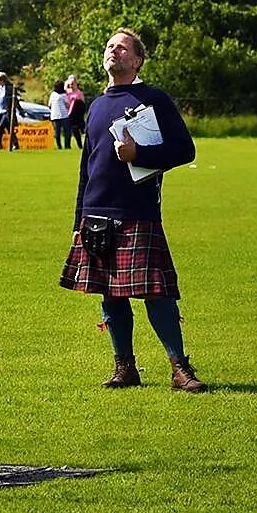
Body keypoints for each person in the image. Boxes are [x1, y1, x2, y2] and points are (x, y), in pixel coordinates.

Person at [60, 27, 206, 393]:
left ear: (137, 60)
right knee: (111, 294)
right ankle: (125, 368)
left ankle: (179, 368)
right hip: (96, 212)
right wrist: (79, 216)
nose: (115, 51)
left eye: (123, 48)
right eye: (110, 46)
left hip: (137, 210)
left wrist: (139, 155)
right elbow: (87, 166)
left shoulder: (154, 99)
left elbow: (185, 151)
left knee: (157, 292)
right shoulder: (95, 106)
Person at [0, 73, 20, 150]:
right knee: (9, 129)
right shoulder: (0, 88)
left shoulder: (9, 88)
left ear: (2, 80)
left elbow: (14, 100)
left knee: (1, 127)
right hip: (2, 111)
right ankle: (15, 144)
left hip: (7, 111)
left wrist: (19, 110)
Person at [64, 75, 87, 151]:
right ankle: (79, 145)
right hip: (70, 114)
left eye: (73, 83)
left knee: (82, 130)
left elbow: (82, 104)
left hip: (78, 115)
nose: (71, 85)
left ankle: (85, 145)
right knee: (74, 131)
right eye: (70, 84)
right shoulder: (67, 92)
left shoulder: (79, 93)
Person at [47, 83, 70, 150]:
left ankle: (60, 146)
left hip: (55, 115)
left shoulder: (53, 94)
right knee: (66, 132)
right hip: (63, 115)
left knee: (57, 132)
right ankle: (66, 146)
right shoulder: (64, 95)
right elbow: (67, 105)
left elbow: (49, 105)